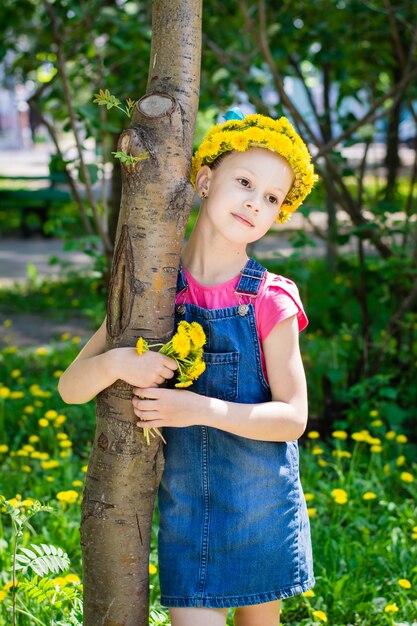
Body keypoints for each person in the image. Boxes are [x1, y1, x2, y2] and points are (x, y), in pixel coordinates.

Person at [58, 107, 318, 626]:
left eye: (271, 198)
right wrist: (117, 363)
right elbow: (70, 388)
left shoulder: (270, 299)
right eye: (244, 181)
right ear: (203, 180)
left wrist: (193, 407)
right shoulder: (155, 291)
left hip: (262, 512)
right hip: (186, 521)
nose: (253, 202)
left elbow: (293, 418)